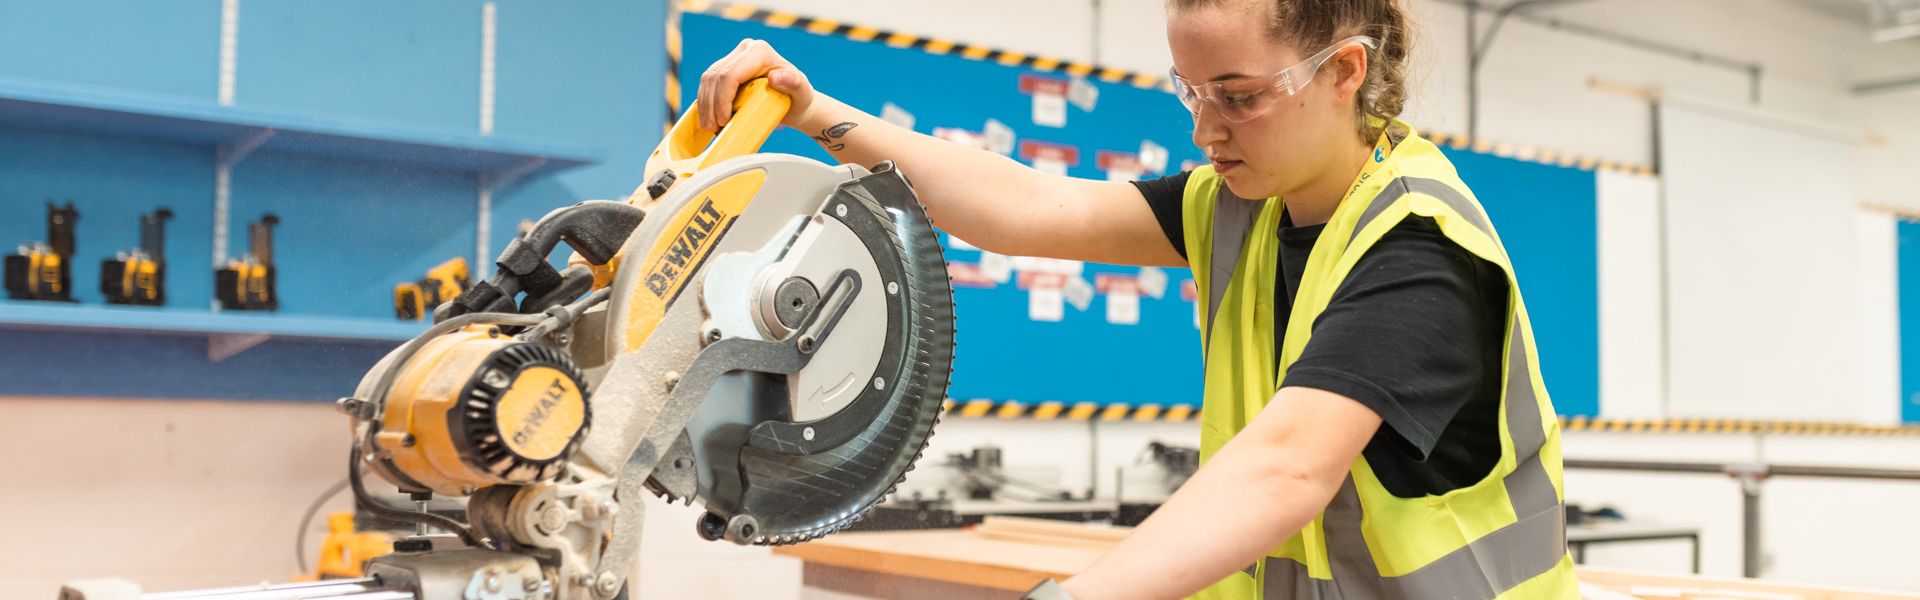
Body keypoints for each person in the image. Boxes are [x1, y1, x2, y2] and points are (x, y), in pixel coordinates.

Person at [695, 0, 1577, 597]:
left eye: (1238, 97)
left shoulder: (1418, 248)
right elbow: (1028, 205)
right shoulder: (1239, 210)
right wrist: (812, 110)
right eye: (1190, 91)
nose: (1204, 128)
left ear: (1343, 69)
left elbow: (1288, 468)